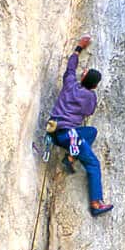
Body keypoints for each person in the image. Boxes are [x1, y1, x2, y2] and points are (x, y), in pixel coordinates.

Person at [49, 34, 114, 216]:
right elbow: (89, 112)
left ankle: (70, 157)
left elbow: (71, 68)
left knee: (91, 131)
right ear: (94, 86)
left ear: (83, 78)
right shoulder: (90, 97)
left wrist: (79, 48)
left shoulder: (70, 84)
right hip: (69, 135)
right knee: (93, 164)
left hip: (55, 131)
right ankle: (95, 203)